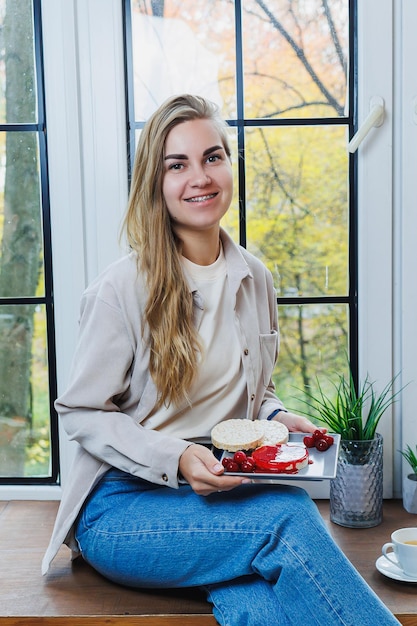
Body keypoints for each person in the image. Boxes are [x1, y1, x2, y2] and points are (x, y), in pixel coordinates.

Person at [42, 94, 399, 626]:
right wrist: (178, 456)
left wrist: (276, 419)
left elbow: (255, 391)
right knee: (288, 518)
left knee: (259, 595)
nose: (200, 177)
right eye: (177, 164)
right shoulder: (120, 289)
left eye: (212, 157)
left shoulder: (255, 276)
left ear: (230, 165)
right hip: (121, 508)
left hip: (216, 489)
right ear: (156, 183)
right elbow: (80, 412)